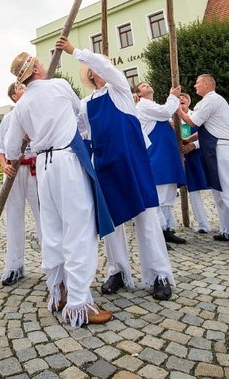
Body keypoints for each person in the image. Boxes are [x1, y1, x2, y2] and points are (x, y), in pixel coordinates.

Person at [58, 36, 174, 301]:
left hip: (132, 160)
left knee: (146, 217)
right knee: (113, 223)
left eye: (100, 67)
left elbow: (108, 69)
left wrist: (74, 51)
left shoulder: (119, 88)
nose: (99, 71)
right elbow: (81, 132)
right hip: (105, 164)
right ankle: (118, 270)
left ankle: (159, 274)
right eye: (94, 70)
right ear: (91, 76)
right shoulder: (86, 104)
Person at [3, 50, 114, 326]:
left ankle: (58, 291)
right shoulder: (59, 86)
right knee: (79, 228)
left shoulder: (20, 107)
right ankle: (79, 304)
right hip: (66, 160)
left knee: (52, 231)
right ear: (37, 69)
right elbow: (79, 115)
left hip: (43, 164)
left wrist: (35, 132)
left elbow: (12, 148)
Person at [179, 74, 229, 252]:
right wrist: (188, 139)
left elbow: (192, 121)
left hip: (220, 148)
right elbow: (205, 128)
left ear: (207, 84)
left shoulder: (212, 99)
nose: (195, 86)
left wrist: (178, 109)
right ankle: (228, 230)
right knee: (219, 193)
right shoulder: (209, 101)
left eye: (197, 83)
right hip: (212, 149)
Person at [0, 81, 43, 287]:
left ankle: (53, 265)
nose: (26, 89)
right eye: (21, 88)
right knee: (14, 217)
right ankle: (14, 266)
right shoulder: (8, 118)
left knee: (44, 215)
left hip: (35, 168)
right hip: (14, 171)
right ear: (14, 96)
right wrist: (4, 165)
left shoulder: (39, 112)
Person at [134, 81, 188, 245]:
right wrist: (173, 96)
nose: (147, 86)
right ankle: (158, 232)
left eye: (149, 84)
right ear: (139, 94)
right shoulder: (143, 106)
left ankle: (167, 228)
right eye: (143, 86)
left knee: (169, 194)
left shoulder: (153, 106)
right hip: (157, 153)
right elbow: (166, 112)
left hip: (166, 153)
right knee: (159, 194)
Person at [177, 93, 213, 233]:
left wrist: (194, 145)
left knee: (214, 188)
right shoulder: (171, 119)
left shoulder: (197, 115)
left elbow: (207, 134)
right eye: (178, 98)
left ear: (189, 102)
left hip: (200, 154)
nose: (181, 99)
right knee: (193, 191)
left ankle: (226, 223)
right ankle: (203, 224)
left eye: (184, 98)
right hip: (185, 159)